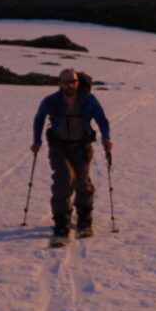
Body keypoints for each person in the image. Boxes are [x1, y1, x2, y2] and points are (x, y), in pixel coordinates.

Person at [31, 69, 112, 239]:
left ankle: (84, 218)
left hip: (82, 145)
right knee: (63, 179)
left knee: (82, 181)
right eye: (66, 82)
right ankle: (61, 221)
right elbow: (39, 118)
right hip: (58, 146)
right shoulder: (51, 101)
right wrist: (37, 140)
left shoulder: (89, 100)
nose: (70, 85)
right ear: (59, 83)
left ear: (77, 82)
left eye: (73, 81)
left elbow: (102, 120)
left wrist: (106, 138)